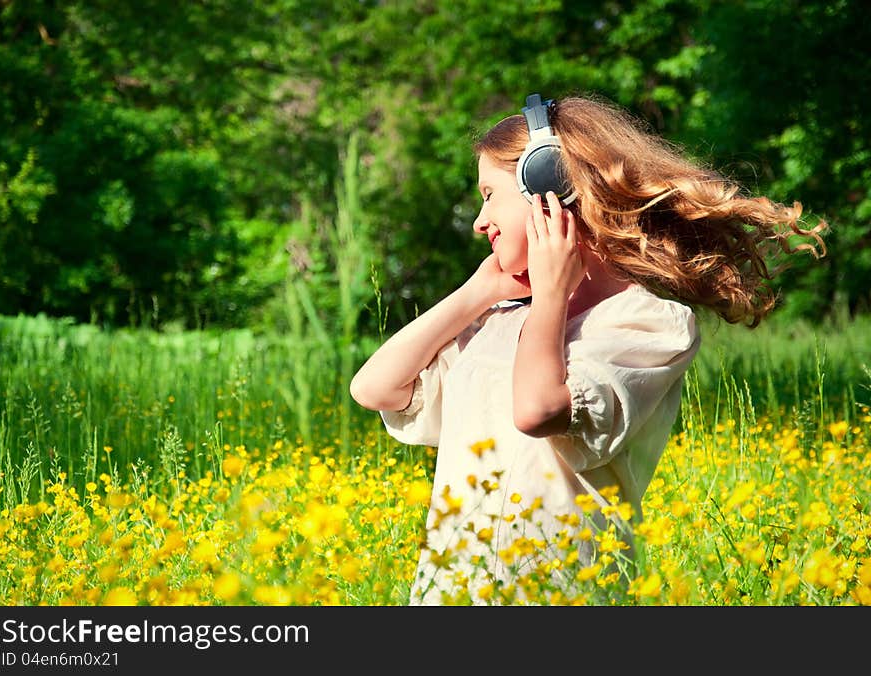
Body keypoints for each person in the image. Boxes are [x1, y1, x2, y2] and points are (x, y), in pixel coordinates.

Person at [349, 92, 827, 606]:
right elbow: (374, 388)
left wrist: (551, 295)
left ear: (550, 187)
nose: (478, 221)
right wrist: (477, 292)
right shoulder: (496, 322)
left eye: (489, 195)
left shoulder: (648, 326)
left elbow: (536, 410)